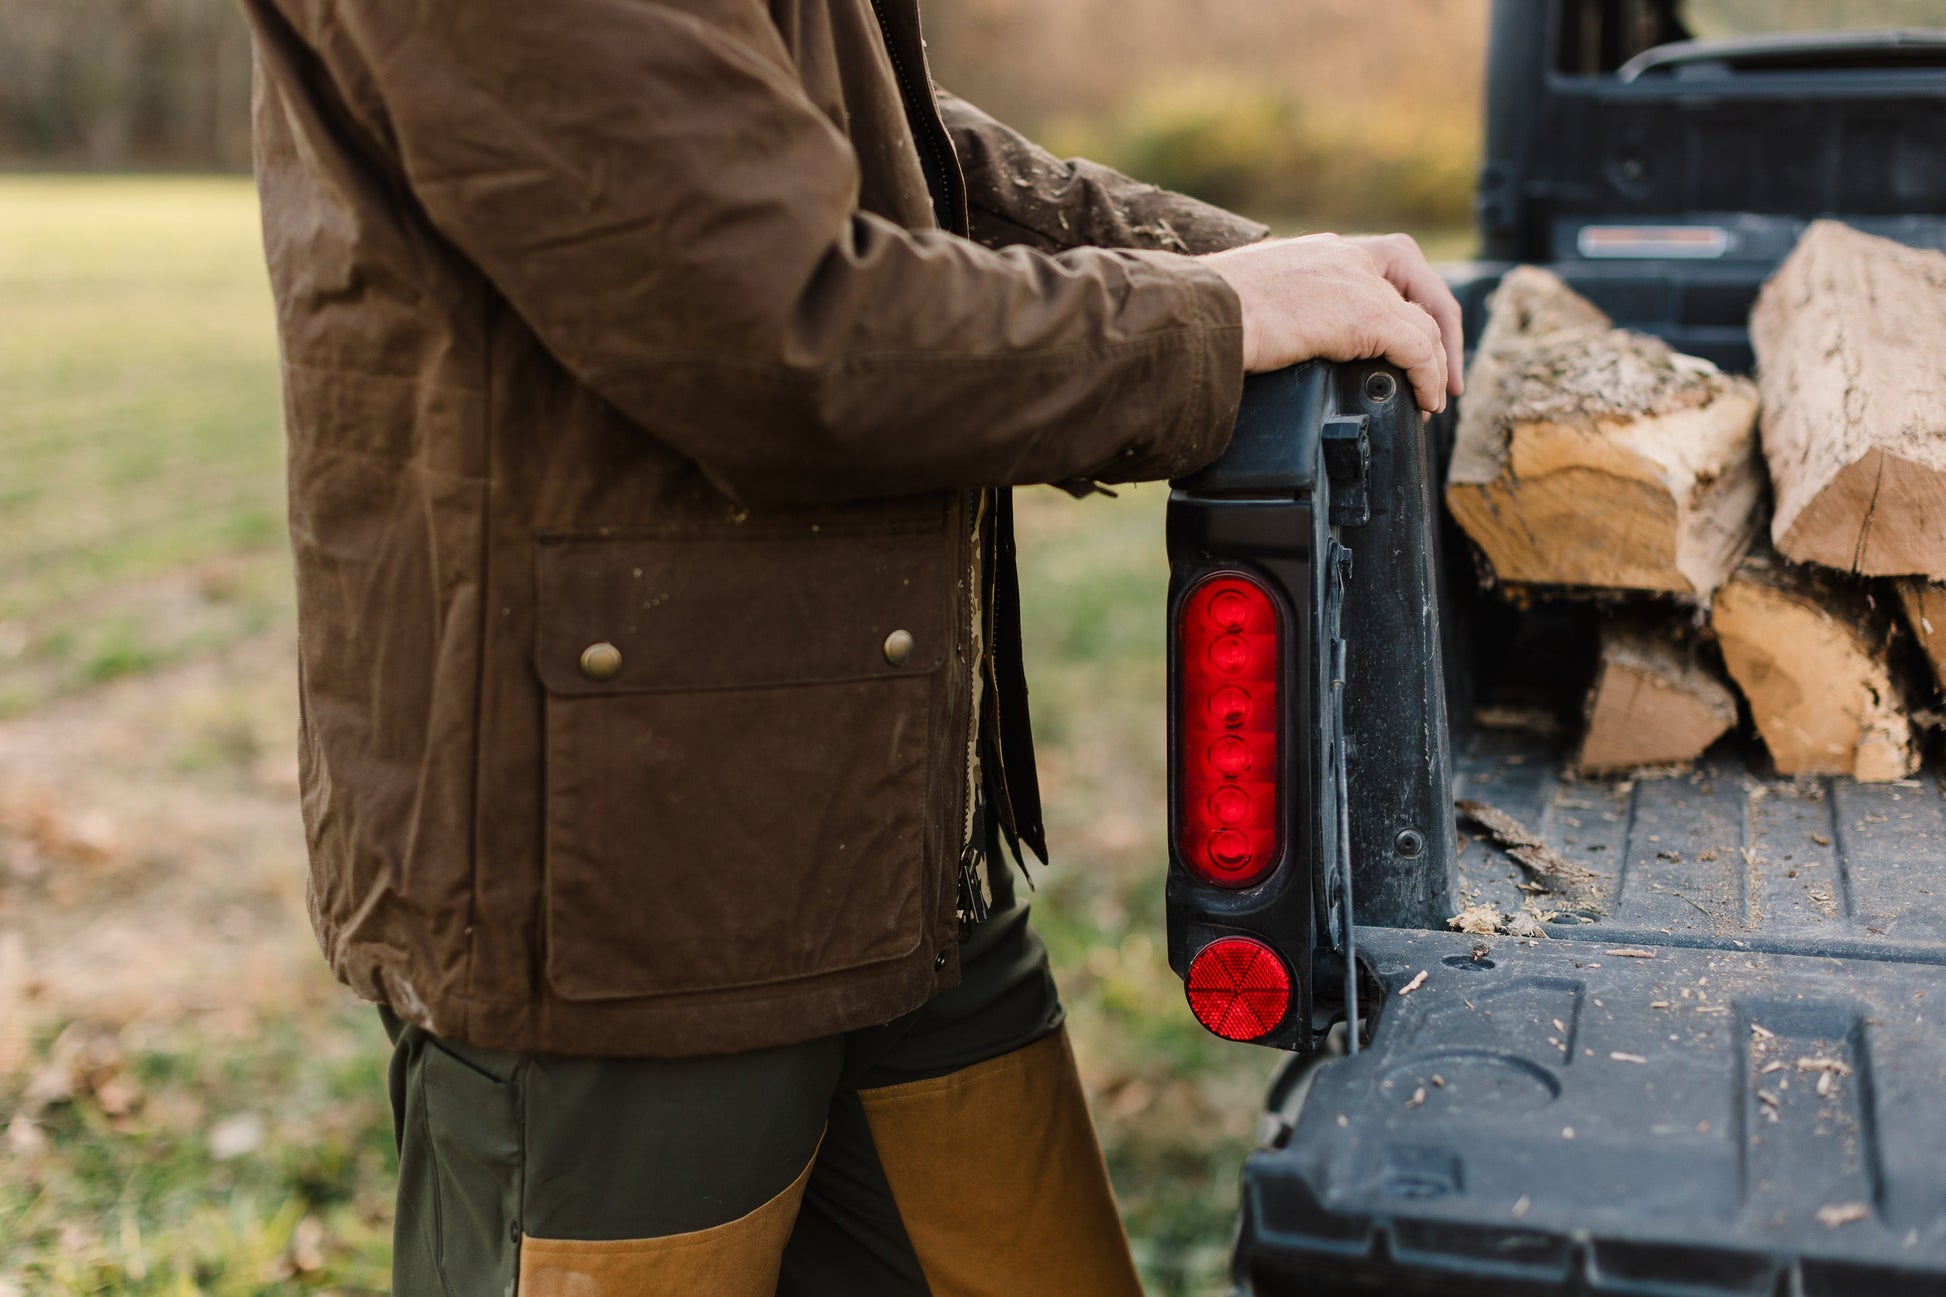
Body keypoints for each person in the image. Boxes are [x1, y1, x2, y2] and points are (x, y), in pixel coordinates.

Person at [240, 0, 1462, 1292]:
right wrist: (1204, 321)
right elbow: (778, 324)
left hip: (891, 848)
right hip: (627, 908)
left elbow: (892, 157)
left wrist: (1252, 271)